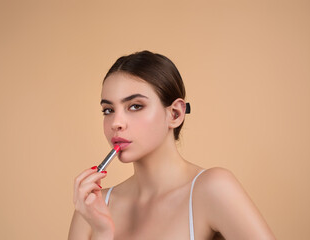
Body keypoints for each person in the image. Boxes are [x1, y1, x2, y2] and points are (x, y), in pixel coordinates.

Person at [68, 51, 275, 240]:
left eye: (135, 106)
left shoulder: (212, 188)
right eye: (108, 110)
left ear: (175, 114)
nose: (116, 123)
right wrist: (103, 232)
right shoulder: (91, 208)